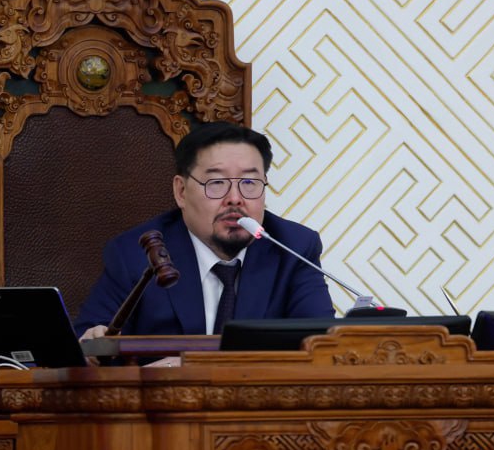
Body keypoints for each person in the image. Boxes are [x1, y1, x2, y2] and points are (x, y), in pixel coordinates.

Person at [74, 122, 335, 337]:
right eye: (217, 182)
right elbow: (90, 341)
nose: (235, 199)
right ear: (181, 192)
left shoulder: (293, 247)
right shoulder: (137, 252)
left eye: (249, 182)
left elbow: (321, 345)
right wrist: (95, 344)